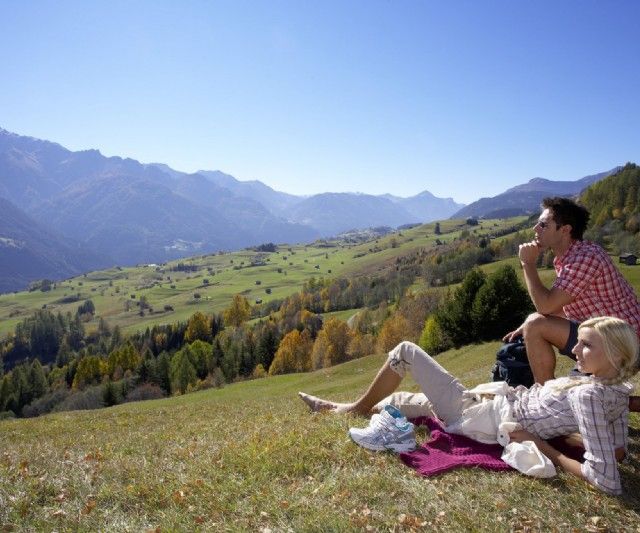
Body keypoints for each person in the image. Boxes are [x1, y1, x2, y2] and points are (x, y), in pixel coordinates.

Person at [299, 316, 638, 495]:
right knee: (400, 402)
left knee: (405, 351)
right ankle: (341, 408)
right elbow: (617, 450)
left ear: (617, 355)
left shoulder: (590, 395)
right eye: (577, 343)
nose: (575, 351)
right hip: (492, 404)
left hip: (481, 415)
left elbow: (606, 480)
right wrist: (576, 437)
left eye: (586, 345)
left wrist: (544, 447)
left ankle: (348, 410)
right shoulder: (612, 389)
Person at [502, 197, 640, 391]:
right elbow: (567, 310)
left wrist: (528, 264)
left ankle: (546, 399)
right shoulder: (569, 258)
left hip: (623, 342)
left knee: (536, 324)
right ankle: (553, 398)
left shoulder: (584, 258)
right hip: (601, 336)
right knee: (533, 324)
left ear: (565, 230)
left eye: (543, 225)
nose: (535, 229)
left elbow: (545, 306)